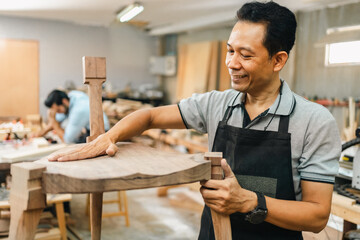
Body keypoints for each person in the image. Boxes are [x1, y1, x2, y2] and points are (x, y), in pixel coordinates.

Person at [48, 1, 341, 239]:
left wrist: (250, 201)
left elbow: (316, 216)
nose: (232, 63)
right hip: (213, 233)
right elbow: (149, 116)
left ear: (278, 60)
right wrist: (108, 137)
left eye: (245, 55)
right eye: (229, 50)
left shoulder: (313, 121)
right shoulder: (216, 104)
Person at [35, 89, 110, 143]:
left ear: (64, 101)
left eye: (58, 110)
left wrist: (52, 121)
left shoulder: (78, 110)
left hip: (100, 133)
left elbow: (67, 140)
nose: (58, 113)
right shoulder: (71, 96)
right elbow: (58, 120)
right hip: (91, 129)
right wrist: (41, 133)